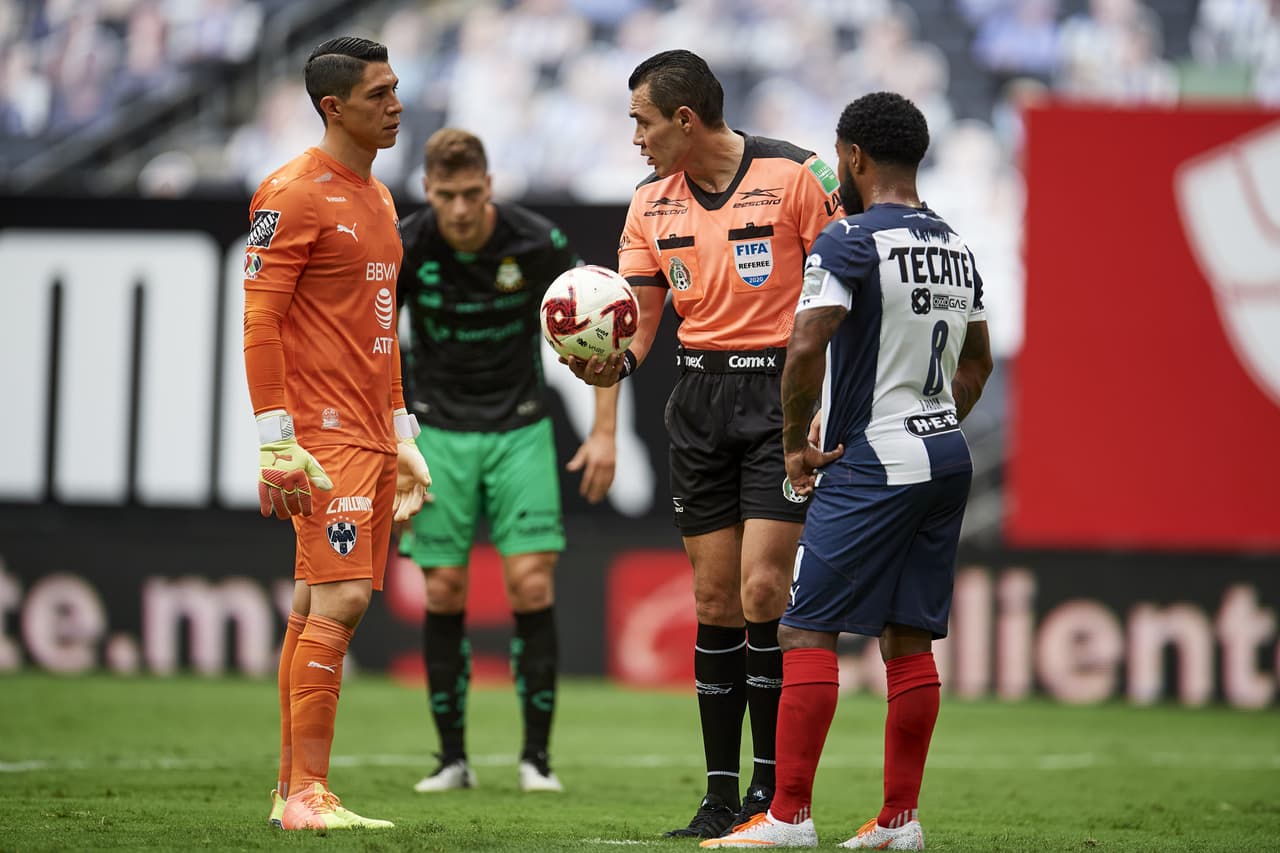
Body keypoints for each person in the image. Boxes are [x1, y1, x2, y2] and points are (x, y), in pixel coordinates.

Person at [705, 92, 994, 850]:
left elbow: (806, 346)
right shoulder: (955, 243)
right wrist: (936, 417)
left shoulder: (851, 241)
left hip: (875, 459)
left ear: (854, 157)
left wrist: (796, 443)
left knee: (803, 627)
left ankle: (789, 817)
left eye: (839, 157)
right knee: (908, 637)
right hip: (944, 456)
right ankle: (900, 821)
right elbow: (978, 360)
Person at [566, 49, 842, 838]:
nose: (636, 139)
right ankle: (720, 797)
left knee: (763, 593)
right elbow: (634, 335)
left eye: (642, 122)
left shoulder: (799, 177)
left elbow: (846, 297)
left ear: (684, 120)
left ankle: (771, 797)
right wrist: (600, 393)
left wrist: (830, 404)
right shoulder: (649, 206)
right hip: (698, 403)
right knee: (716, 601)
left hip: (782, 401)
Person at [244, 36, 432, 832]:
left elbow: (381, 329)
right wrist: (275, 437)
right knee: (345, 598)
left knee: (311, 600)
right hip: (321, 435)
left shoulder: (381, 197)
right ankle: (310, 794)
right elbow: (261, 318)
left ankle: (292, 792)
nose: (396, 105)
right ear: (335, 106)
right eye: (379, 94)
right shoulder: (291, 191)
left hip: (367, 428)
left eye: (395, 90)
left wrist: (402, 430)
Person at [396, 128, 620, 795]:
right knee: (443, 589)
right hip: (436, 432)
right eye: (445, 195)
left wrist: (604, 432)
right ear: (428, 190)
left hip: (521, 426)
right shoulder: (406, 243)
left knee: (531, 585)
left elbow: (603, 321)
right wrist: (392, 435)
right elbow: (372, 341)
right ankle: (451, 759)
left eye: (470, 194)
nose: (459, 209)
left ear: (489, 186)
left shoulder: (536, 241)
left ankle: (536, 760)